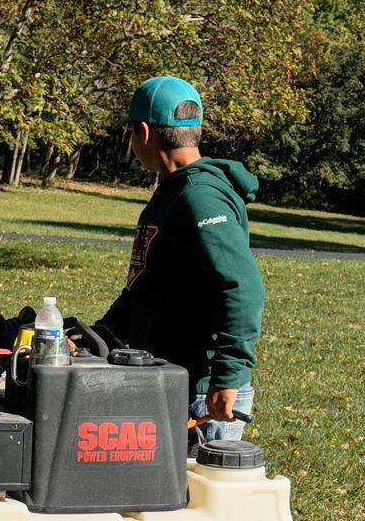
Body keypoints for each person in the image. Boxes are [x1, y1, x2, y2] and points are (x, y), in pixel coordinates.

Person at [94, 74, 264, 441]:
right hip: (168, 380)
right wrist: (95, 337)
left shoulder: (199, 196)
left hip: (201, 395)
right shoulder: (174, 191)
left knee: (197, 481)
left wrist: (228, 376)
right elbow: (146, 289)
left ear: (144, 132)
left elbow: (242, 287)